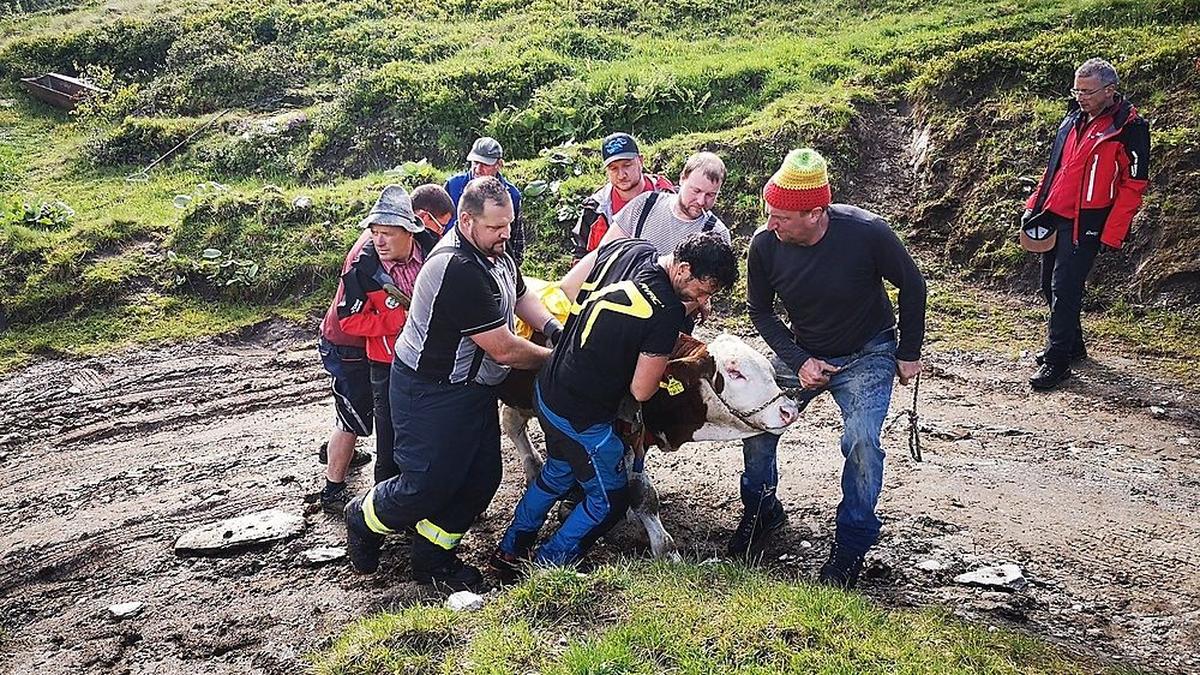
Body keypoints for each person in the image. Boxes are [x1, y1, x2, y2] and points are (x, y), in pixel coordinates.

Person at [343, 176, 560, 590]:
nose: (506, 234)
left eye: (509, 225)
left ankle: (432, 559)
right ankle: (364, 516)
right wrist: (559, 358)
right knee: (426, 484)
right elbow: (504, 349)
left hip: (473, 388)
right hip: (429, 390)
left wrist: (552, 328)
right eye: (496, 227)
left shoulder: (495, 250)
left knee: (481, 478)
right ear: (465, 221)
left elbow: (519, 293)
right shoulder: (458, 268)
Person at [492, 232, 738, 574]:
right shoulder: (664, 314)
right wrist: (664, 379)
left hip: (548, 388)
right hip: (582, 414)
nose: (703, 299)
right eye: (703, 290)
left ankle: (509, 549)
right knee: (610, 499)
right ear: (683, 270)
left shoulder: (637, 256)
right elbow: (640, 391)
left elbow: (572, 286)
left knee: (559, 471)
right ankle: (552, 562)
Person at [739, 148, 926, 590]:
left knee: (861, 441)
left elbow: (913, 286)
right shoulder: (765, 245)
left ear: (816, 213)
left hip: (868, 352)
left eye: (781, 217)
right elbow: (760, 311)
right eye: (769, 213)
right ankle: (762, 509)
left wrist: (909, 351)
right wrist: (800, 361)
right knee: (756, 419)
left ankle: (851, 544)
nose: (771, 224)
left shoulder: (866, 232)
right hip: (803, 350)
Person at [1021, 57, 1150, 391]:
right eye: (1077, 89)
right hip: (1053, 215)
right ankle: (1072, 347)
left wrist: (1113, 231)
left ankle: (1057, 362)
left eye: (1088, 91)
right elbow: (1054, 169)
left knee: (1065, 289)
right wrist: (1034, 205)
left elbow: (1134, 186)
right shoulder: (1072, 119)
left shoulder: (1130, 128)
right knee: (1048, 286)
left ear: (1110, 90)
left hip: (1088, 221)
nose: (1080, 96)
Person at [335, 184, 453, 489]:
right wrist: (395, 320)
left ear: (409, 230)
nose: (379, 240)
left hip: (433, 360)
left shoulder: (436, 249)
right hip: (386, 365)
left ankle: (432, 494)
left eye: (387, 232)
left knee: (433, 432)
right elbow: (348, 321)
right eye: (375, 232)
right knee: (389, 440)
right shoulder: (363, 268)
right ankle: (384, 509)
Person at [574, 150, 732, 328]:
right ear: (682, 179)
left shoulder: (717, 234)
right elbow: (604, 253)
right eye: (696, 191)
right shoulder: (646, 203)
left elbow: (702, 291)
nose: (701, 201)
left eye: (711, 195)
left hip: (669, 320)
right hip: (616, 305)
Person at [571, 132, 674, 261]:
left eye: (627, 165)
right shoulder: (596, 208)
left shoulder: (667, 195)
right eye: (613, 168)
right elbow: (581, 255)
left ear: (640, 161)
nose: (621, 175)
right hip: (615, 276)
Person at [444, 136, 526, 265]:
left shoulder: (512, 195)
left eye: (485, 164)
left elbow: (516, 241)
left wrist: (511, 269)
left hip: (493, 264)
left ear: (498, 165)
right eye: (475, 162)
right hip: (454, 260)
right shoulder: (453, 186)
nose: (477, 169)